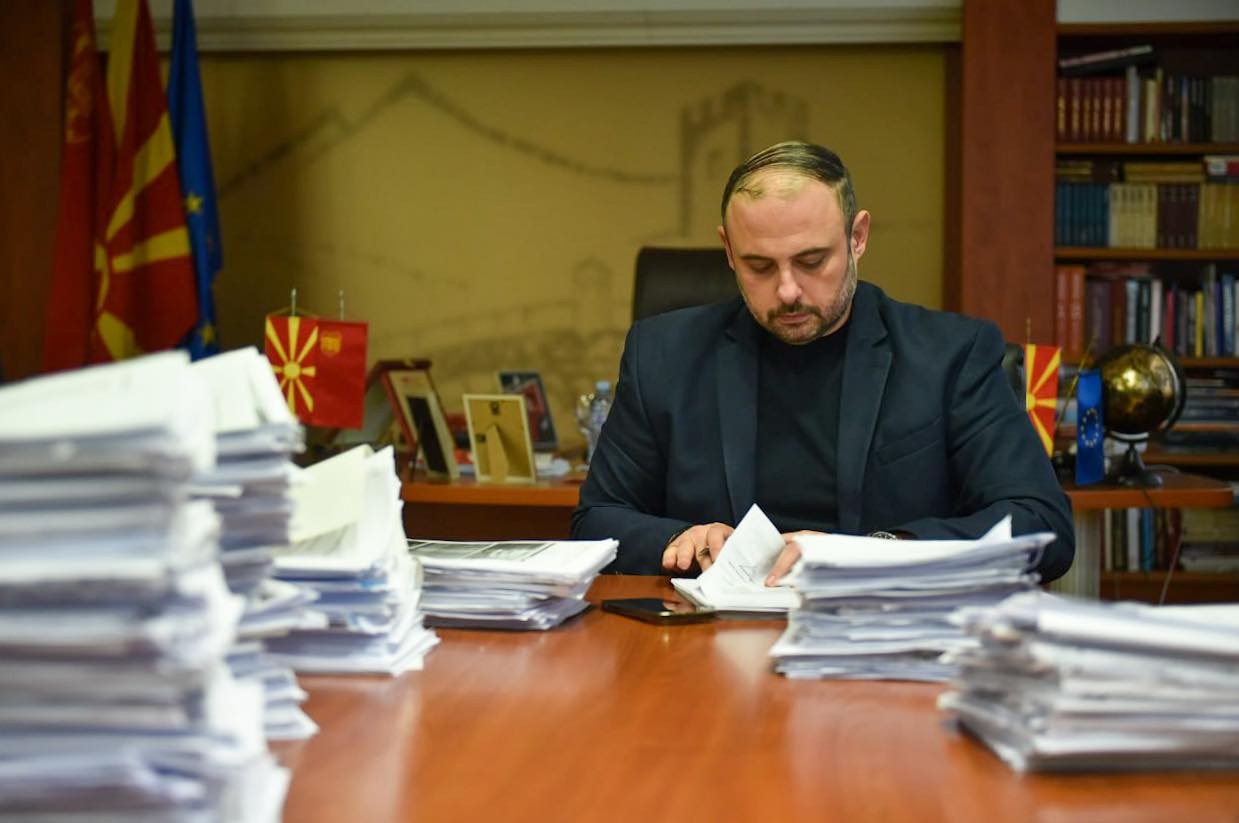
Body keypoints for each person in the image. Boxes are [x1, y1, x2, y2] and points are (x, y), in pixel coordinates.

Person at [571, 141, 1073, 583]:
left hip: (880, 631)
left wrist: (873, 552)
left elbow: (1041, 524)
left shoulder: (950, 355)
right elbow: (596, 520)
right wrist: (681, 537)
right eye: (759, 266)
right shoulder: (664, 354)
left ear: (858, 237)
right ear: (728, 250)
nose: (788, 290)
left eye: (812, 262)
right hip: (711, 632)